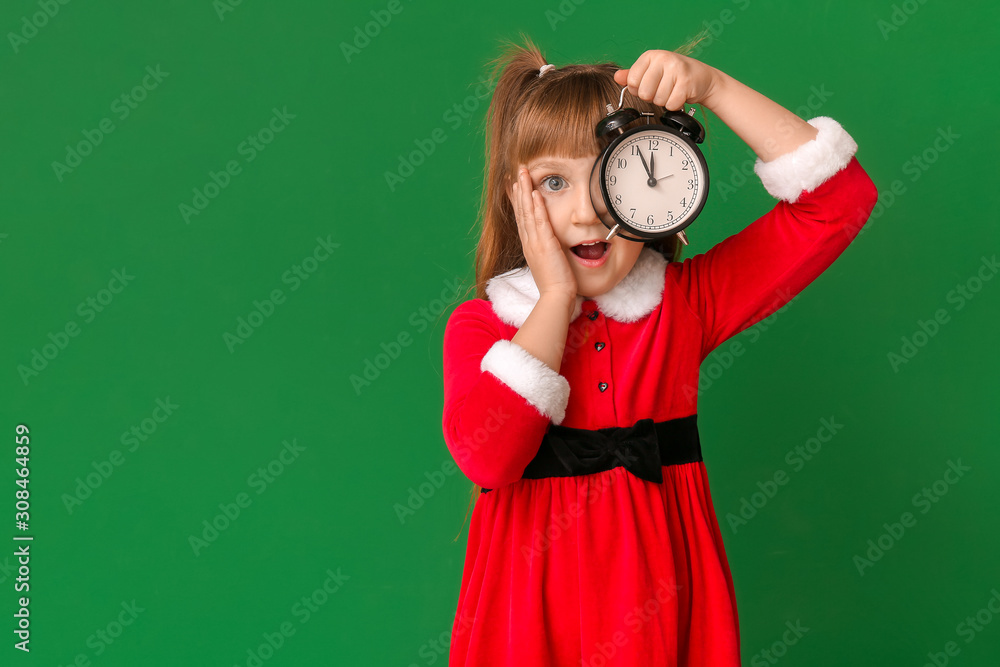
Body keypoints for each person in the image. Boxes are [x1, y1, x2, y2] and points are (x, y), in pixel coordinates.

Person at [440, 32, 877, 666]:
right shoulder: (481, 326)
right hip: (529, 602)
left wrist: (715, 88)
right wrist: (555, 299)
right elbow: (489, 459)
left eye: (611, 178)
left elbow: (838, 202)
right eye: (553, 182)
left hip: (659, 594)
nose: (587, 216)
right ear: (515, 196)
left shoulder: (686, 303)